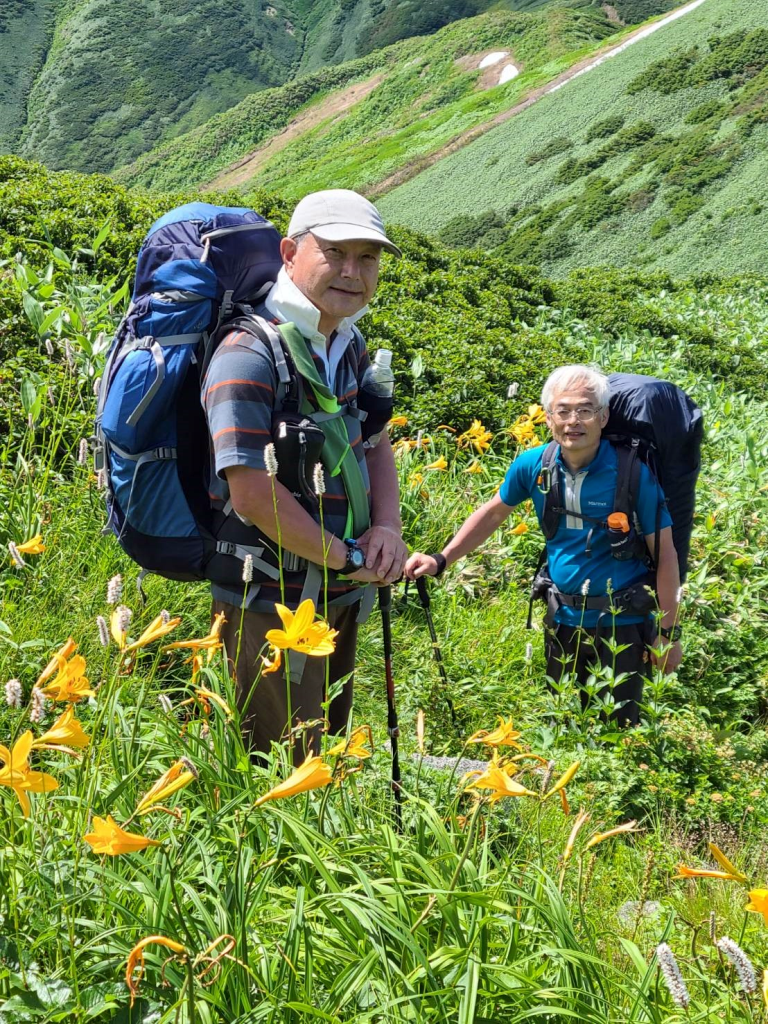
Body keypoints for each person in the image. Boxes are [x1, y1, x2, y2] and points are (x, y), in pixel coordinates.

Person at [202, 189, 409, 758]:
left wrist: (386, 531)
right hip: (267, 602)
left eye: (367, 257)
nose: (352, 271)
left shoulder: (348, 344)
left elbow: (373, 440)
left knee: (324, 759)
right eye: (336, 251)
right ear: (290, 252)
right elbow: (248, 491)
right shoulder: (249, 351)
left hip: (340, 590)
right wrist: (344, 555)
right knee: (273, 769)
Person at [405, 364, 683, 726]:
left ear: (603, 417)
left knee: (617, 734)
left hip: (623, 626)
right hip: (562, 619)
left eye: (584, 410)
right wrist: (442, 559)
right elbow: (492, 514)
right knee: (562, 727)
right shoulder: (535, 465)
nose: (573, 421)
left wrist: (668, 635)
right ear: (548, 418)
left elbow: (666, 556)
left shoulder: (633, 472)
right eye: (562, 411)